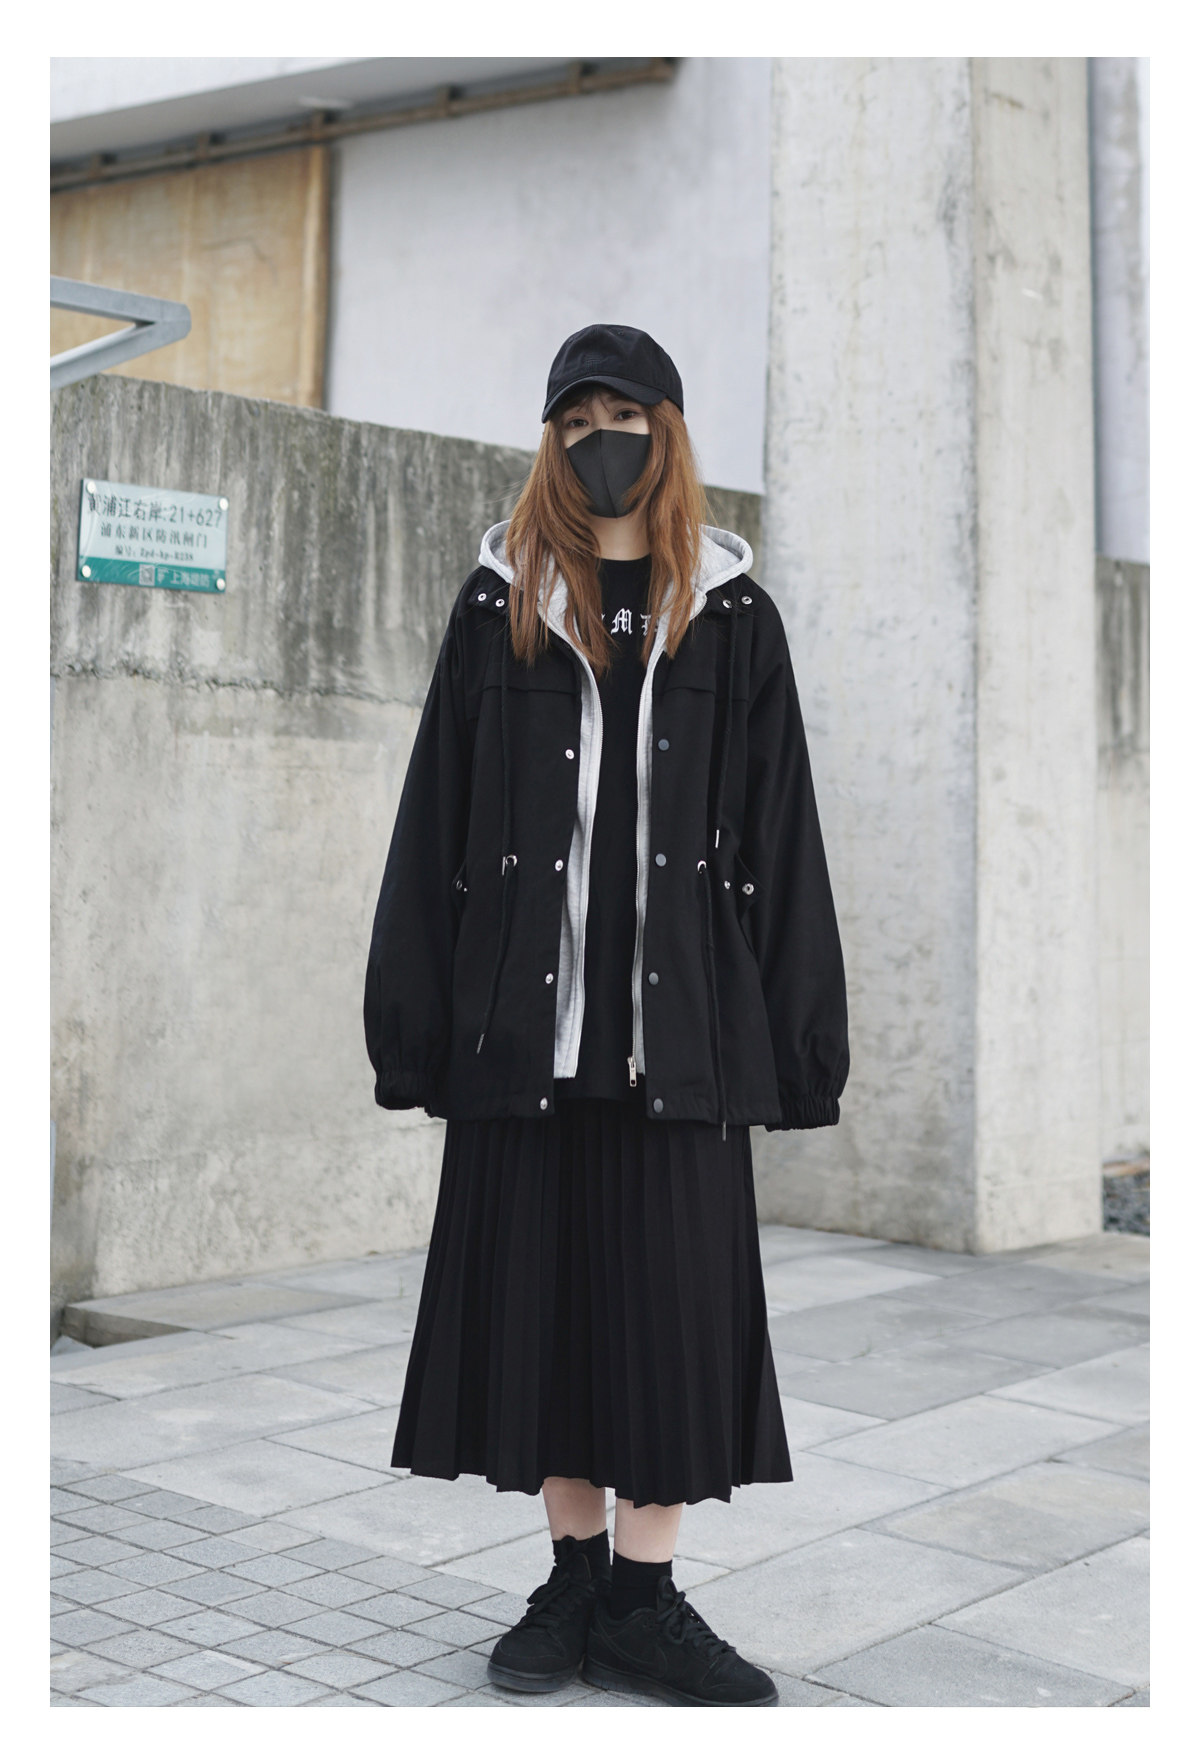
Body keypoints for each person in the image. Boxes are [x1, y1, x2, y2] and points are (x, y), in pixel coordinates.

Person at [364, 323, 849, 1707]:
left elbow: (784, 839)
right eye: (574, 423)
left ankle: (645, 1598)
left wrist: (801, 1046)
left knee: (673, 1323)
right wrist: (413, 1027)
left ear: (669, 430)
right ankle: (571, 1582)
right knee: (544, 1316)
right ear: (549, 444)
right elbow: (435, 824)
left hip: (677, 1044)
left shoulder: (732, 615)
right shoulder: (500, 606)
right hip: (525, 1039)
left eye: (623, 417)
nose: (599, 443)